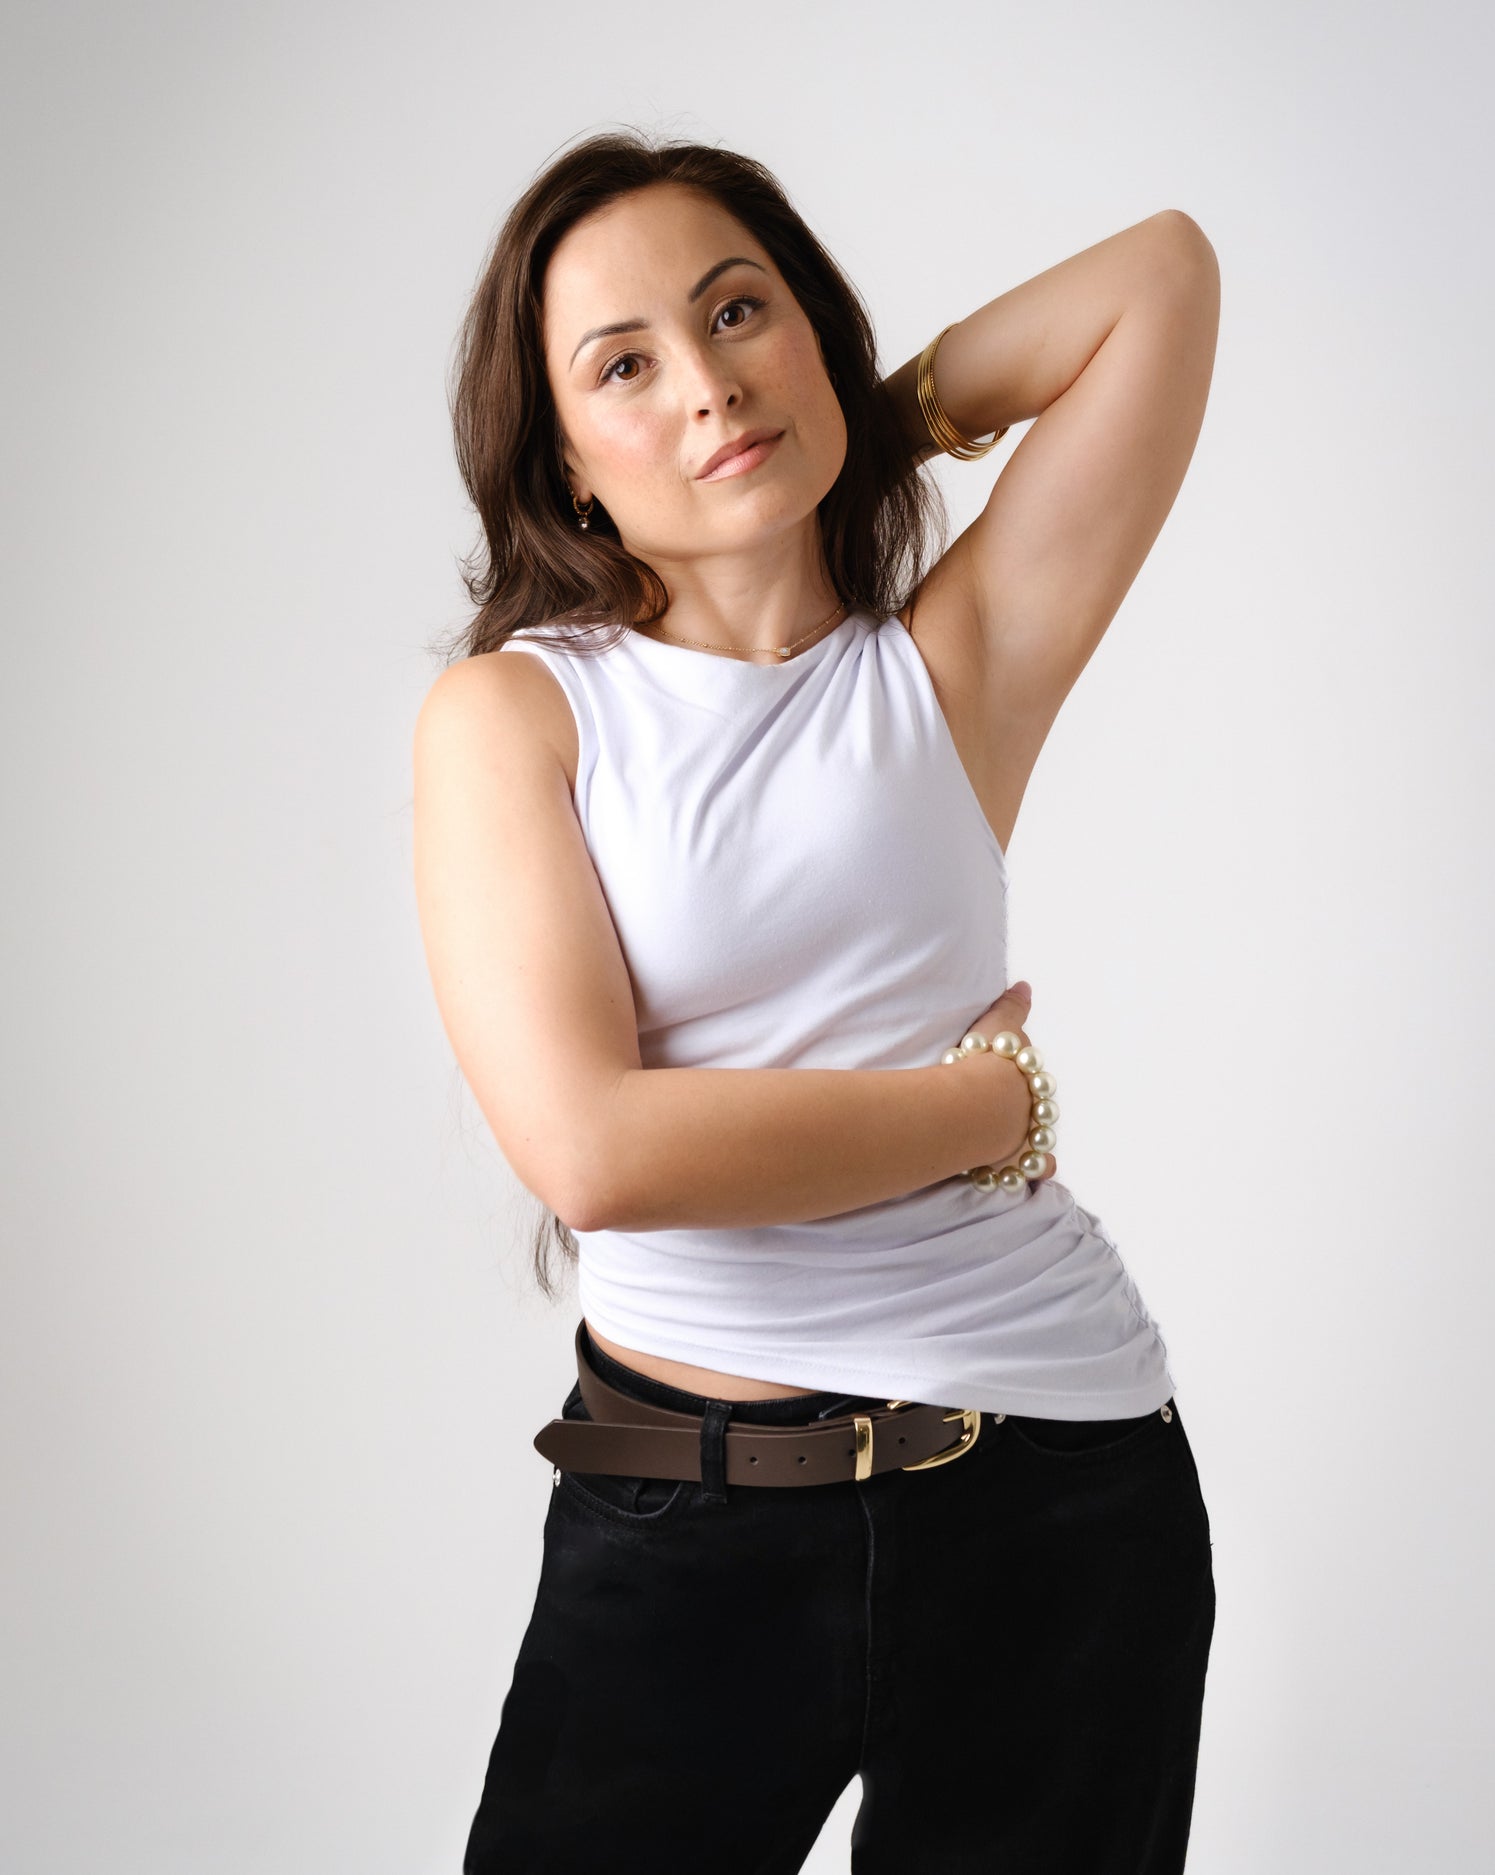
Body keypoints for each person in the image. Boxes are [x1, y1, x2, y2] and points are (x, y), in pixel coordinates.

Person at [413, 128, 1221, 1874]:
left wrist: (887, 412)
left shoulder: (950, 669)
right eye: (626, 365)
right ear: (564, 464)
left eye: (739, 313)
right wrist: (979, 1113)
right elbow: (596, 1152)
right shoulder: (522, 718)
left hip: (1061, 1486)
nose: (707, 385)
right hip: (687, 1507)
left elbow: (1158, 275)